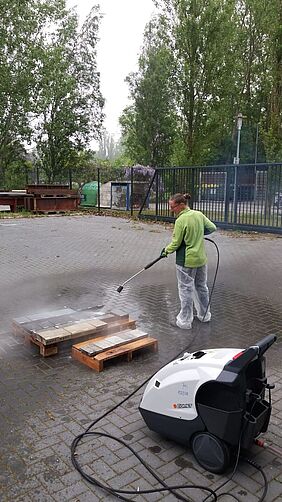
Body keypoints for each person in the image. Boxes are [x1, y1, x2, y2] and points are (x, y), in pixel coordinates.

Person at [161, 193, 216, 330]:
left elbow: (176, 243)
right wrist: (198, 234)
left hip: (186, 261)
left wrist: (165, 251)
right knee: (201, 287)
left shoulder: (181, 220)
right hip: (201, 259)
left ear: (181, 205)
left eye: (172, 207)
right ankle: (204, 315)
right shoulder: (198, 214)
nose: (171, 210)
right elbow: (212, 228)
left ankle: (184, 322)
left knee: (185, 289)